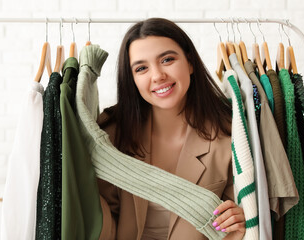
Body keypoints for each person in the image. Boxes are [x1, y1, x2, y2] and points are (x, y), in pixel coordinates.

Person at [97, 18, 246, 240]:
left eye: (167, 59)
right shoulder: (110, 136)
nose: (157, 76)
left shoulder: (231, 135)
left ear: (190, 62)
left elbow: (238, 226)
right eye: (141, 68)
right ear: (133, 80)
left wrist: (241, 222)